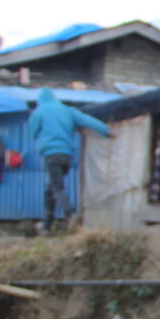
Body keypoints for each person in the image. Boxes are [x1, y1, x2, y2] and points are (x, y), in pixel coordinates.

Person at [27, 88, 111, 233]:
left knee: (58, 188)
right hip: (67, 156)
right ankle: (47, 226)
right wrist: (106, 131)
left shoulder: (40, 111)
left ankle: (70, 214)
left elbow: (32, 133)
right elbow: (88, 120)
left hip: (51, 155)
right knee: (51, 188)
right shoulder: (68, 110)